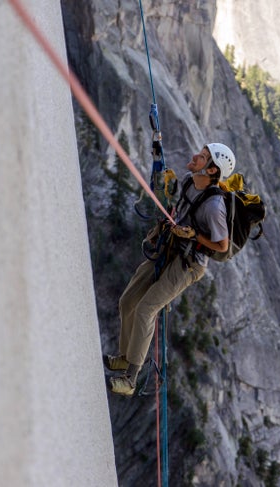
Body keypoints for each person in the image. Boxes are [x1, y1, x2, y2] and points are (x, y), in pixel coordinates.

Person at [105, 142, 236, 396]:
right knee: (127, 301)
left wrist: (195, 235)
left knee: (146, 308)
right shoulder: (188, 180)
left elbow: (222, 245)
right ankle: (124, 356)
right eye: (201, 152)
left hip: (189, 263)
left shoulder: (214, 207)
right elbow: (181, 209)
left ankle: (130, 379)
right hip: (171, 245)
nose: (197, 155)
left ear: (211, 171)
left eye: (204, 157)